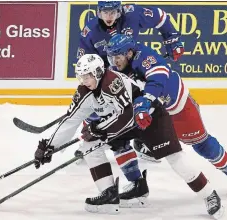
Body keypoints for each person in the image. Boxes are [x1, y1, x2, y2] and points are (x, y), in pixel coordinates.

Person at [34, 54, 224, 218]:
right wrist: (50, 146)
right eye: (81, 76)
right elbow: (71, 120)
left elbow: (127, 116)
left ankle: (209, 194)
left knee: (175, 159)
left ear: (99, 72)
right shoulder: (85, 91)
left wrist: (100, 128)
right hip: (122, 123)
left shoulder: (112, 82)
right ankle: (108, 194)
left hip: (150, 118)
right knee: (88, 147)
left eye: (87, 76)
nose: (83, 80)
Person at [77, 0, 184, 191]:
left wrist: (172, 39)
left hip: (133, 71)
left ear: (120, 11)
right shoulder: (90, 31)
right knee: (111, 117)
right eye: (104, 12)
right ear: (98, 12)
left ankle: (143, 144)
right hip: (108, 75)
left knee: (143, 107)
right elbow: (85, 62)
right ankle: (95, 131)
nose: (109, 17)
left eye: (113, 12)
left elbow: (161, 17)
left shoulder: (133, 13)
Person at [106, 33, 227, 176]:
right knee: (126, 130)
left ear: (129, 53)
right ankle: (145, 148)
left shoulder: (145, 57)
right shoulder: (117, 67)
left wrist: (146, 100)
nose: (115, 61)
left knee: (202, 145)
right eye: (112, 57)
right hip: (154, 110)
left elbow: (158, 79)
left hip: (177, 107)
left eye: (118, 57)